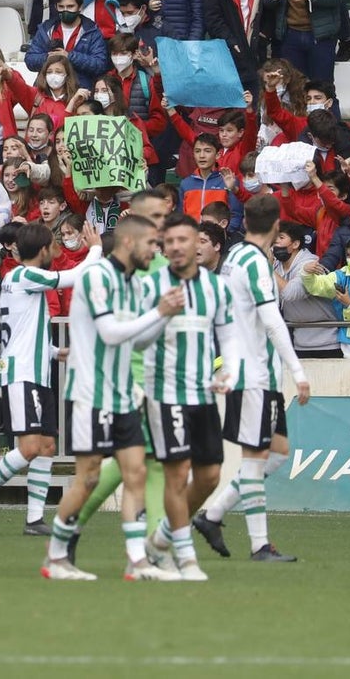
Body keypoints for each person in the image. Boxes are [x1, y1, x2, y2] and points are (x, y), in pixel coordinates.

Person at [44, 215, 184, 581]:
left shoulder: (132, 285)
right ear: (128, 243)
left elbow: (135, 340)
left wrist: (165, 320)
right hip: (92, 393)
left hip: (123, 394)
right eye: (151, 244)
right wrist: (159, 312)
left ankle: (137, 561)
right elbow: (109, 333)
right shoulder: (96, 277)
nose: (156, 251)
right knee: (87, 479)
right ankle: (56, 556)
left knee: (135, 472)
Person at [193, 194, 311, 563]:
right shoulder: (255, 262)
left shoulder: (236, 259)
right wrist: (299, 371)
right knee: (257, 458)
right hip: (251, 374)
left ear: (245, 222)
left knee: (276, 455)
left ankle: (212, 515)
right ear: (277, 226)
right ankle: (260, 545)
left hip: (257, 372)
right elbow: (272, 321)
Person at [0, 221, 101, 537]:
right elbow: (75, 277)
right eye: (51, 246)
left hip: (35, 370)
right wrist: (95, 247)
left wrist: (55, 352)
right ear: (43, 251)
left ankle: (34, 519)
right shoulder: (25, 275)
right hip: (21, 373)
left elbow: (23, 329)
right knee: (29, 447)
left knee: (46, 445)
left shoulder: (17, 279)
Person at [139, 214, 240, 582]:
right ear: (164, 246)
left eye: (187, 239)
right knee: (177, 474)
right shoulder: (152, 287)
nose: (180, 246)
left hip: (203, 392)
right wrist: (160, 315)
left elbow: (228, 334)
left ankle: (161, 539)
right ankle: (184, 557)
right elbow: (136, 340)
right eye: (172, 241)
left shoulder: (216, 288)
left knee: (210, 476)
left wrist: (229, 370)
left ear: (198, 243)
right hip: (165, 393)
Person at [302, 235, 350, 357]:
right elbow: (317, 286)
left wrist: (349, 303)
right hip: (348, 344)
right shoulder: (340, 275)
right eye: (348, 255)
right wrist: (306, 272)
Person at [274, 221, 342, 357]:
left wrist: (267, 267)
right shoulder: (276, 266)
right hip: (299, 342)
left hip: (327, 341)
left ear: (295, 244)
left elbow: (290, 293)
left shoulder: (310, 265)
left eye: (281, 238)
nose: (276, 242)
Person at [24, 0, 109, 89]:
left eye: (70, 6)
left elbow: (100, 64)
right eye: (61, 7)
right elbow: (30, 60)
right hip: (47, 92)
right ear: (55, 7)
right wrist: (49, 57)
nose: (65, 11)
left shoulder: (92, 31)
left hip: (79, 92)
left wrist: (70, 57)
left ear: (80, 6)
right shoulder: (45, 29)